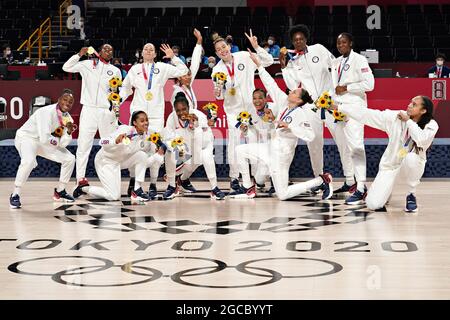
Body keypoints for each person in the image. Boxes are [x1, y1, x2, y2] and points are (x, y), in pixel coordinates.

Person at [231, 51, 333, 200]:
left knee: (283, 195)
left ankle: (321, 180)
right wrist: (259, 65)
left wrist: (291, 127)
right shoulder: (284, 103)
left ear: (299, 100)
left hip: (281, 157)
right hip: (270, 148)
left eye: (295, 92)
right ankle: (248, 188)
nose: (291, 91)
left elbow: (310, 136)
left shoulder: (301, 114)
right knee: (240, 150)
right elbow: (270, 85)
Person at [335, 96, 438, 212]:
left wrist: (408, 121)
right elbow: (367, 114)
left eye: (414, 104)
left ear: (423, 111)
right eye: (410, 102)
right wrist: (339, 107)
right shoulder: (397, 117)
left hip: (409, 168)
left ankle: (411, 195)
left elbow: (420, 139)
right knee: (373, 204)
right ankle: (386, 192)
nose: (409, 105)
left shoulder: (431, 125)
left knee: (411, 158)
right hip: (390, 167)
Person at [120, 42, 188, 197]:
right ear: (141, 53)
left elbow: (183, 71)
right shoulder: (135, 69)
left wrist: (173, 57)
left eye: (151, 49)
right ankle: (134, 180)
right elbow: (125, 89)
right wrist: (116, 103)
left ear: (156, 54)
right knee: (135, 148)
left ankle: (153, 183)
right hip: (137, 114)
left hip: (156, 116)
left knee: (155, 150)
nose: (149, 50)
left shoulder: (162, 68)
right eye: (145, 49)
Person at [280, 24, 344, 189]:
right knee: (314, 143)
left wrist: (335, 92)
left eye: (301, 38)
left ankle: (351, 180)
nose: (299, 41)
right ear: (292, 43)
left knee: (341, 139)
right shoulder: (293, 62)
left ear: (306, 39)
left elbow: (335, 66)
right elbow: (292, 85)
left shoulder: (319, 49)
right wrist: (283, 65)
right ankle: (319, 179)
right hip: (310, 106)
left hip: (329, 102)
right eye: (295, 40)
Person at [212, 29, 274, 191]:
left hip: (253, 109)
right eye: (219, 50)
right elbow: (219, 97)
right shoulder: (216, 70)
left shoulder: (244, 56)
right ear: (216, 53)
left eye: (224, 47)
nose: (222, 51)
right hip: (233, 112)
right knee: (234, 144)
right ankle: (234, 178)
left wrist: (257, 47)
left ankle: (256, 177)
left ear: (229, 46)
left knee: (255, 141)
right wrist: (218, 91)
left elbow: (267, 61)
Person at [62, 44, 122, 197]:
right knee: (83, 146)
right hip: (88, 109)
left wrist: (116, 114)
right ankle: (80, 181)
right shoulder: (88, 64)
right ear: (99, 51)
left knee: (110, 146)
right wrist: (78, 54)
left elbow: (116, 95)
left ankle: (110, 181)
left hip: (104, 111)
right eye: (106, 49)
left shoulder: (115, 71)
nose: (108, 52)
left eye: (111, 50)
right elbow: (66, 67)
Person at [9, 89, 77, 209]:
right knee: (28, 161)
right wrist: (57, 141)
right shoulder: (46, 112)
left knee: (70, 159)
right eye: (65, 99)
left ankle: (60, 191)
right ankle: (15, 194)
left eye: (70, 102)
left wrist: (69, 132)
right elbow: (45, 137)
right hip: (27, 138)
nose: (67, 103)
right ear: (59, 100)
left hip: (44, 142)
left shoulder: (69, 120)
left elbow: (63, 144)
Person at [81, 111, 165, 201]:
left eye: (147, 120)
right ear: (134, 123)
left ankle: (137, 190)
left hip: (120, 162)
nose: (146, 123)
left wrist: (157, 154)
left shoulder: (146, 136)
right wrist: (115, 141)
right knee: (113, 196)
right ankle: (83, 188)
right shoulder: (125, 129)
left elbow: (145, 161)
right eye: (142, 121)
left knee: (142, 156)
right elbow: (102, 142)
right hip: (106, 161)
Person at [330, 33, 375, 204]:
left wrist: (347, 87)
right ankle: (351, 182)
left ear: (351, 43)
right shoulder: (337, 62)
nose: (341, 45)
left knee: (356, 146)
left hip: (355, 109)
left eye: (344, 42)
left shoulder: (359, 60)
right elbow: (335, 88)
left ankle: (362, 187)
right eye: (338, 42)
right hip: (339, 110)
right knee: (345, 148)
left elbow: (370, 84)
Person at [164, 92, 226, 200]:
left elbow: (204, 136)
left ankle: (215, 188)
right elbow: (168, 137)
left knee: (206, 159)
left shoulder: (199, 115)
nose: (181, 113)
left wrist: (195, 125)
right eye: (178, 110)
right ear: (174, 109)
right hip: (186, 146)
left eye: (184, 109)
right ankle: (171, 186)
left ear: (189, 107)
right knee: (170, 153)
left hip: (203, 145)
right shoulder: (171, 118)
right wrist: (177, 149)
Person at [171, 29, 203, 110]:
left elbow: (195, 63)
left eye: (189, 74)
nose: (188, 77)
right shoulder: (178, 92)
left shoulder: (187, 84)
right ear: (179, 77)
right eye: (185, 76)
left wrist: (199, 42)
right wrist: (173, 57)